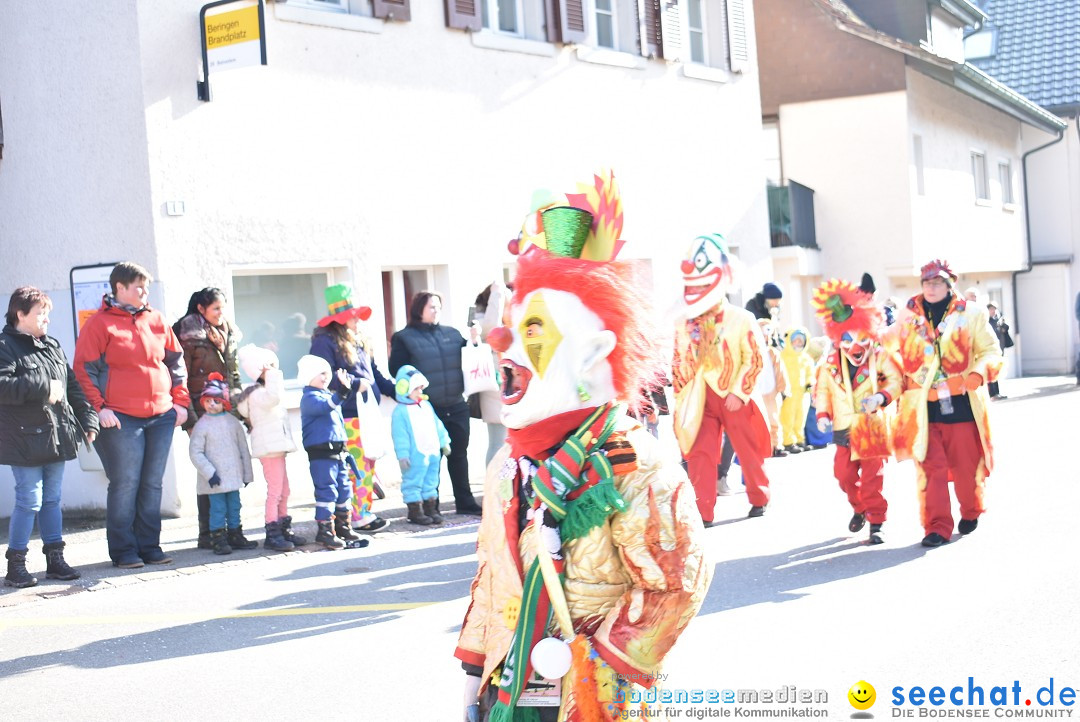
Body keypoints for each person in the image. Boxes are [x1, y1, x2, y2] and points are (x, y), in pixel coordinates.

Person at [456, 172, 709, 720]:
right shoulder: (509, 464)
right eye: (510, 328)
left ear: (593, 355)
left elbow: (677, 583)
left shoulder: (636, 464)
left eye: (534, 332)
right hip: (513, 682)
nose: (502, 344)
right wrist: (474, 672)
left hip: (595, 693)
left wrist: (598, 666)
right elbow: (493, 572)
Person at [74, 262, 189, 569]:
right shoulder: (99, 324)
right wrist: (100, 408)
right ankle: (124, 551)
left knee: (152, 483)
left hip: (162, 414)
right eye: (138, 286)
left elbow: (176, 361)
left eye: (146, 287)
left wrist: (180, 401)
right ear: (119, 288)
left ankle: (150, 547)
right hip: (121, 417)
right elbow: (83, 370)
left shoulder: (156, 319)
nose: (144, 292)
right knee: (125, 483)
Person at [893, 260, 1003, 547]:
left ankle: (971, 508)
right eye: (926, 282)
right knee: (931, 471)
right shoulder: (908, 316)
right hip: (923, 408)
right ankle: (936, 527)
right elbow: (890, 353)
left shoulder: (972, 314)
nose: (931, 287)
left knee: (966, 470)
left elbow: (991, 350)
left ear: (948, 284)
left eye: (937, 282)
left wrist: (978, 374)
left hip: (962, 404)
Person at [1, 287, 100, 587]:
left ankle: (55, 560)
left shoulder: (52, 346)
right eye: (40, 313)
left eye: (47, 313)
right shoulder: (5, 345)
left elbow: (72, 387)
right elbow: (3, 385)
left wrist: (88, 420)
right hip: (24, 440)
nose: (46, 318)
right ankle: (16, 565)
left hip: (58, 436)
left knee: (52, 501)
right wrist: (44, 386)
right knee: (29, 501)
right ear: (20, 314)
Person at [672, 233, 773, 523]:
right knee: (699, 454)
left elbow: (753, 358)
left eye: (705, 282)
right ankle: (702, 512)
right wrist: (682, 397)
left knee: (747, 450)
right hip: (699, 397)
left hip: (732, 394)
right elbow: (677, 360)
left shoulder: (740, 318)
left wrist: (739, 392)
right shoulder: (682, 322)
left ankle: (759, 497)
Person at [811, 279, 903, 545]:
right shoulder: (828, 365)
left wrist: (881, 396)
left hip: (872, 425)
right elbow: (823, 392)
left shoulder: (878, 356)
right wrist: (822, 415)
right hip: (842, 427)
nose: (855, 346)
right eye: (848, 339)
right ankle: (860, 507)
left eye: (861, 338)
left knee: (874, 477)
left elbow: (896, 381)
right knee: (843, 475)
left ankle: (877, 521)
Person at [310, 284, 395, 533]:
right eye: (354, 316)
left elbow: (375, 373)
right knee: (355, 464)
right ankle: (355, 515)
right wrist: (356, 384)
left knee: (368, 461)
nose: (358, 320)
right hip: (347, 414)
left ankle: (363, 511)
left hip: (366, 413)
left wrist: (395, 390)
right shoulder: (324, 341)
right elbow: (323, 375)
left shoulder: (357, 340)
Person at [389, 290, 482, 516]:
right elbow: (396, 370)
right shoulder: (404, 337)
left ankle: (465, 500)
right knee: (432, 458)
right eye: (431, 307)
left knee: (459, 454)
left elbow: (470, 359)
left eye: (438, 307)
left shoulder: (451, 333)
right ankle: (432, 503)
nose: (436, 311)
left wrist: (475, 340)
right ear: (418, 309)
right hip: (428, 409)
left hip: (457, 404)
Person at [173, 287, 243, 550]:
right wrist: (190, 420)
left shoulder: (228, 332)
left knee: (228, 468)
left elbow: (233, 374)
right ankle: (209, 533)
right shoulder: (186, 334)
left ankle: (231, 530)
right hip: (201, 410)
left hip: (225, 409)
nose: (221, 313)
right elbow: (181, 377)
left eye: (223, 308)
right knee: (208, 470)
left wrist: (239, 411)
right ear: (201, 309)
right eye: (216, 308)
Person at [237, 344, 306, 551]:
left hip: (276, 448)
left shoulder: (263, 392)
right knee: (275, 491)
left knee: (284, 489)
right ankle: (272, 531)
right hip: (269, 449)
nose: (276, 372)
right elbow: (274, 397)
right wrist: (271, 374)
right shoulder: (258, 394)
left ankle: (284, 527)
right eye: (271, 368)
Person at [297, 354, 367, 550]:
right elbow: (325, 408)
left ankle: (343, 526)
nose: (325, 377)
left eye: (327, 373)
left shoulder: (328, 395)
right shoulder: (309, 398)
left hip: (339, 453)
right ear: (308, 375)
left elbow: (333, 405)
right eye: (321, 373)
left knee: (345, 489)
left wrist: (342, 392)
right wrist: (343, 392)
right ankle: (325, 530)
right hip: (321, 454)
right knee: (326, 490)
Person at [188, 373, 257, 555]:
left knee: (234, 505)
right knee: (217, 508)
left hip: (233, 477)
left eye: (216, 401)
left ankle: (235, 534)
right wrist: (209, 473)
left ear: (224, 403)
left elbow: (243, 450)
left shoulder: (233, 423)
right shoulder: (202, 426)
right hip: (214, 479)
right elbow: (195, 452)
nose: (212, 404)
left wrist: (247, 474)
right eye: (208, 401)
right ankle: (218, 537)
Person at [391, 365, 451, 525]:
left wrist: (444, 441)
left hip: (431, 451)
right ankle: (415, 510)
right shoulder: (400, 411)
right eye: (416, 388)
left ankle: (430, 508)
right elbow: (399, 435)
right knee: (413, 480)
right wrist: (402, 454)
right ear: (404, 388)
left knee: (431, 480)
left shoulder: (426, 406)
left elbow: (437, 425)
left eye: (421, 388)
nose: (420, 392)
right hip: (414, 455)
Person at [472, 281, 513, 465]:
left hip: (512, 384)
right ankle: (492, 484)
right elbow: (491, 330)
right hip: (492, 385)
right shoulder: (476, 316)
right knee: (497, 442)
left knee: (513, 443)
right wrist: (497, 296)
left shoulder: (510, 320)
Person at [779, 326, 813, 453]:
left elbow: (810, 373)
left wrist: (810, 383)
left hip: (802, 393)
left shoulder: (806, 358)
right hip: (788, 393)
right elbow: (780, 373)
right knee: (787, 417)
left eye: (801, 341)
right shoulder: (783, 356)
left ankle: (800, 440)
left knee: (800, 417)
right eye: (795, 341)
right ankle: (788, 442)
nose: (798, 343)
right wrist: (782, 388)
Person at [986, 302, 1012, 400]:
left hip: (998, 350)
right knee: (990, 372)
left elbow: (1003, 332)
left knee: (996, 372)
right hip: (989, 350)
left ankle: (996, 393)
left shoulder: (997, 320)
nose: (993, 311)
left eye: (994, 309)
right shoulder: (986, 321)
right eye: (991, 309)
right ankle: (992, 394)